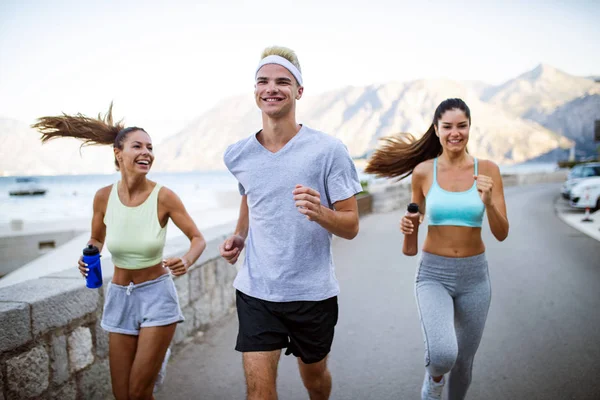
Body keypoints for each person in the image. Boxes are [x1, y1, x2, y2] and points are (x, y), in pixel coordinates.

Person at [33, 104, 206, 400]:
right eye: (137, 146)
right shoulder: (103, 197)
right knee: (122, 394)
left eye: (150, 148)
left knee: (139, 391)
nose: (147, 153)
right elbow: (97, 239)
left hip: (156, 297)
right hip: (119, 297)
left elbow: (198, 238)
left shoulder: (164, 196)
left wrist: (186, 260)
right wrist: (89, 254)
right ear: (118, 153)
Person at [219, 46, 362, 400]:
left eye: (283, 81)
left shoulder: (328, 151)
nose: (272, 88)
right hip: (257, 291)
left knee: (315, 380)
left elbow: (351, 225)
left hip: (312, 294)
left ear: (299, 91)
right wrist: (240, 235)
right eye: (263, 81)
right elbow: (250, 196)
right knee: (259, 392)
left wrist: (321, 212)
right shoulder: (238, 154)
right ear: (255, 91)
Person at [365, 98, 509, 400]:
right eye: (447, 127)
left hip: (475, 278)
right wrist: (408, 228)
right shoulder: (422, 172)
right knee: (443, 355)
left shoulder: (489, 171)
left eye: (462, 126)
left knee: (464, 363)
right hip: (433, 275)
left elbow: (502, 233)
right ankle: (432, 387)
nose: (455, 133)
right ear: (437, 129)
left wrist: (488, 204)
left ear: (470, 128)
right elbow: (409, 247)